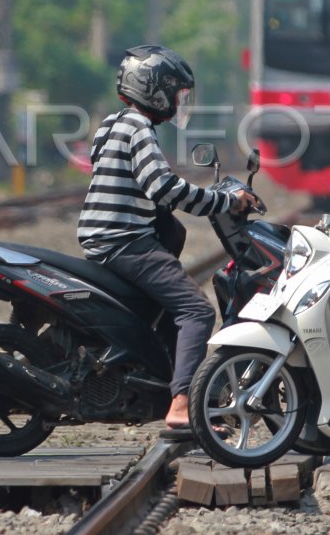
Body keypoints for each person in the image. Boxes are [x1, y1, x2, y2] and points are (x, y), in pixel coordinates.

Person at [77, 45, 257, 432]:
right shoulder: (139, 128)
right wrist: (223, 200)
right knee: (197, 310)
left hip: (103, 239)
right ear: (153, 90)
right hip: (125, 241)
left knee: (166, 309)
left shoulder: (110, 125)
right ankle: (180, 405)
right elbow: (163, 188)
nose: (179, 103)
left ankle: (162, 387)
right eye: (176, 94)